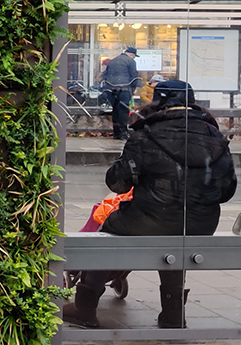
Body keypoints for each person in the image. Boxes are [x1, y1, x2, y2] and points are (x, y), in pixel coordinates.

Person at [63, 80, 237, 329]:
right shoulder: (216, 137)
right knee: (176, 236)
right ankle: (173, 314)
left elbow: (118, 184)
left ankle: (85, 307)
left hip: (149, 220)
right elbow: (226, 191)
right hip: (201, 224)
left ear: (158, 101)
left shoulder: (146, 133)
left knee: (110, 226)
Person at [104, 46, 140, 140]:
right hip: (124, 89)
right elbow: (134, 77)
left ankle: (117, 133)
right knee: (123, 110)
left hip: (111, 88)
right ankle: (123, 133)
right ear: (132, 55)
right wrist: (132, 90)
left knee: (115, 110)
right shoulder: (131, 61)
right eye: (134, 56)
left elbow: (105, 75)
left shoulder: (113, 61)